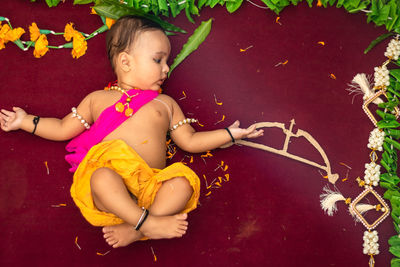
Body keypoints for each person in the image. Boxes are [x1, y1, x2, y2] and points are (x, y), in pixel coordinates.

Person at [0, 15, 264, 248]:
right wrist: (25, 121)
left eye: (167, 61)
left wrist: (229, 134)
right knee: (100, 177)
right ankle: (148, 224)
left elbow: (191, 141)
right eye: (158, 60)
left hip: (150, 187)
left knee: (184, 184)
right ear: (125, 62)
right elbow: (61, 128)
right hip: (113, 191)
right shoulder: (97, 99)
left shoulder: (166, 104)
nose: (166, 69)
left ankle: (136, 229)